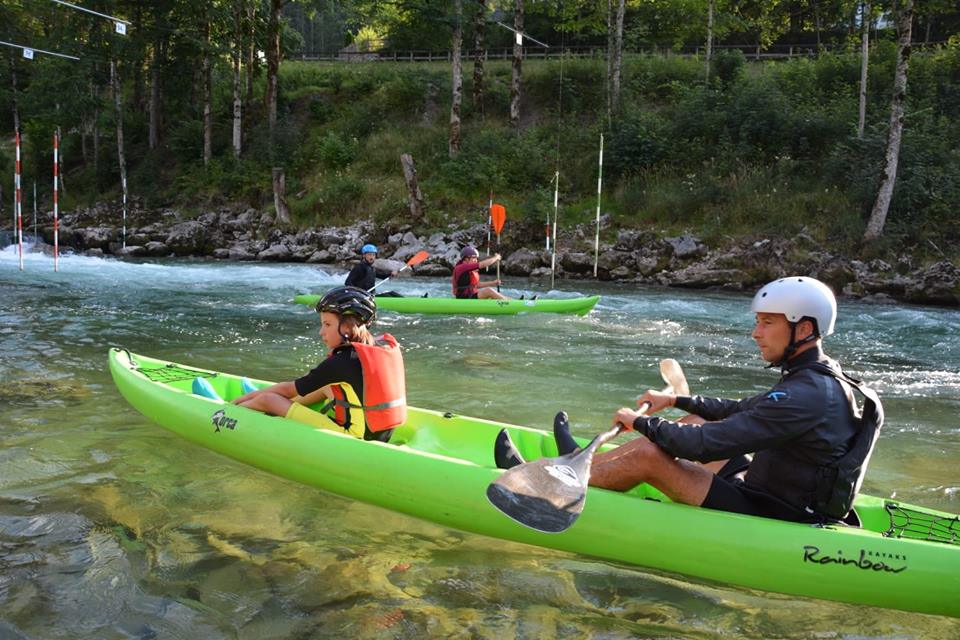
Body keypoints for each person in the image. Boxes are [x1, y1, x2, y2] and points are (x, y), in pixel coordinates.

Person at [497, 276, 883, 525]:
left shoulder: (807, 394)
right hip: (771, 489)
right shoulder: (819, 378)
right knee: (697, 422)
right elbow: (741, 411)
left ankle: (548, 487)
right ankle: (587, 461)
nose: (755, 333)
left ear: (803, 328)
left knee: (651, 454)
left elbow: (704, 448)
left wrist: (640, 422)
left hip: (780, 516)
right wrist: (677, 399)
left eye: (767, 323)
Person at [233, 286, 407, 442]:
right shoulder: (378, 349)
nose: (321, 332)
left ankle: (234, 411)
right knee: (326, 387)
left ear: (347, 327)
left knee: (268, 399)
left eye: (327, 324)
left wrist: (241, 400)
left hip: (355, 435)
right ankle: (266, 403)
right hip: (380, 432)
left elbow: (288, 389)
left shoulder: (340, 363)